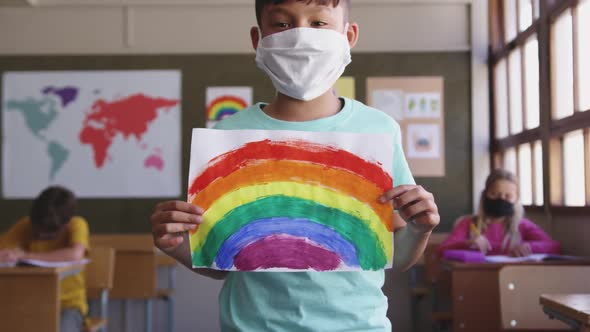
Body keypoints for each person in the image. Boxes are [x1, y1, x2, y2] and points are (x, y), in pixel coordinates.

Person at [150, 0, 440, 330]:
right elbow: (221, 262)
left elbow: (393, 256)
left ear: (349, 34)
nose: (301, 36)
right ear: (257, 39)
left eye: (318, 23)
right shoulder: (229, 137)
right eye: (283, 24)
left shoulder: (378, 129)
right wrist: (177, 247)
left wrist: (420, 228)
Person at [0, 186, 90, 332]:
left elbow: (75, 254)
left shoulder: (77, 225)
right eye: (37, 230)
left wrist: (25, 256)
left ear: (66, 224)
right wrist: (7, 255)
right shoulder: (26, 225)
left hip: (67, 305)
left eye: (49, 234)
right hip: (30, 303)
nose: (41, 236)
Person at [437, 169, 560, 257]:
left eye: (508, 196)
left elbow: (554, 246)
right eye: (494, 194)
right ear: (485, 195)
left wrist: (530, 247)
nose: (501, 199)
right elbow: (442, 249)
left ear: (516, 199)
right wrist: (467, 243)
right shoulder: (468, 223)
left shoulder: (522, 225)